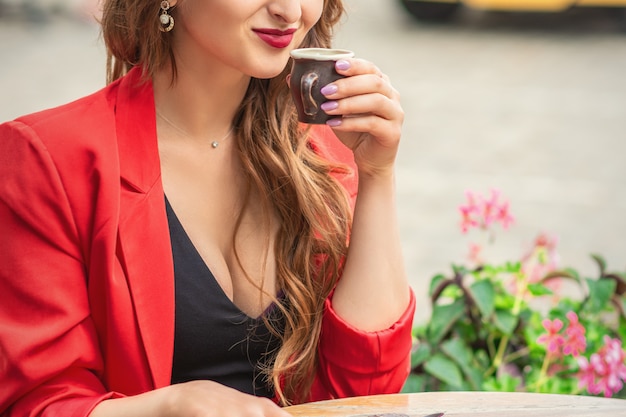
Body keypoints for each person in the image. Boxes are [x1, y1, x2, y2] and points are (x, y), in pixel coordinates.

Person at [0, 0, 416, 416]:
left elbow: (367, 392)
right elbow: (37, 402)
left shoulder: (323, 155)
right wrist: (167, 407)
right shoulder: (48, 160)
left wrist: (378, 174)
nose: (290, 11)